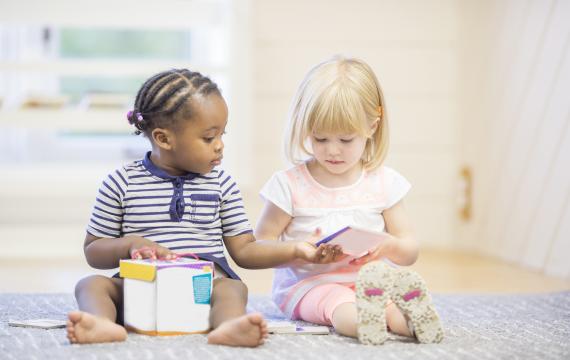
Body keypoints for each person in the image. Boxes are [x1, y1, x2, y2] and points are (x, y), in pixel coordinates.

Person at [66, 69, 340, 347]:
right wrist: (130, 245)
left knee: (233, 288)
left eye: (222, 134)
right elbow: (93, 250)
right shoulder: (120, 182)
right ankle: (100, 324)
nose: (220, 146)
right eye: (209, 138)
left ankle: (230, 326)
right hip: (140, 292)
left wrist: (295, 250)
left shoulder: (222, 185)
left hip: (201, 292)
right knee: (91, 284)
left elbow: (245, 250)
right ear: (163, 139)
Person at [255, 55, 444, 344]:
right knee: (338, 304)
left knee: (390, 303)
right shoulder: (289, 185)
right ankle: (365, 323)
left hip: (370, 283)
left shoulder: (384, 182)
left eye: (345, 140)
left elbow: (410, 249)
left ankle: (414, 322)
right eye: (320, 139)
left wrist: (389, 246)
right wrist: (298, 251)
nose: (333, 151)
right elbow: (259, 246)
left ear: (372, 126)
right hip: (309, 285)